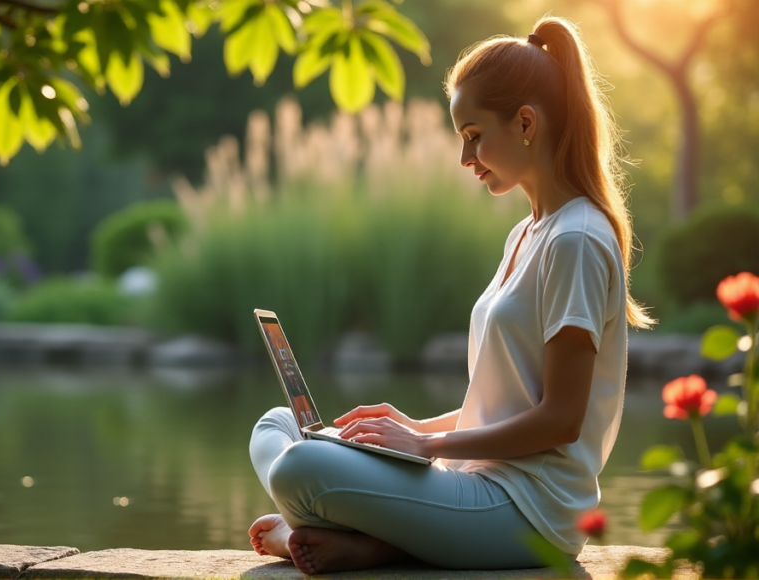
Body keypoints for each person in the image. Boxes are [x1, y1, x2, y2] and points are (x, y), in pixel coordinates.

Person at [246, 15, 654, 575]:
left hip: (527, 511)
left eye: (474, 136)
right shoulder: (527, 233)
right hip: (472, 482)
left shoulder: (576, 239)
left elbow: (560, 419)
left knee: (299, 468)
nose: (466, 159)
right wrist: (417, 428)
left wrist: (424, 449)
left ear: (526, 123)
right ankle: (370, 538)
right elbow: (504, 400)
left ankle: (366, 541)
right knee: (276, 427)